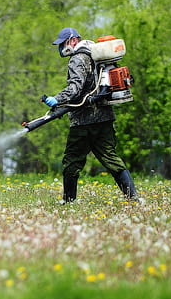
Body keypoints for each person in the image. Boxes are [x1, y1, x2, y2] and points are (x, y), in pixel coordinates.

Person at [42, 27, 139, 203]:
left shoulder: (77, 59)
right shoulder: (96, 56)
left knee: (71, 161)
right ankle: (133, 197)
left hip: (83, 121)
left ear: (72, 41)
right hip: (105, 117)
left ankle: (68, 201)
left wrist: (56, 99)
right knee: (111, 158)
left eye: (62, 44)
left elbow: (75, 88)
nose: (61, 49)